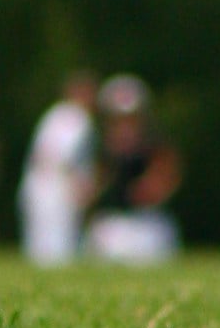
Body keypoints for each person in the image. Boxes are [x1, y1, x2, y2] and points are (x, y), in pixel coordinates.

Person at [81, 76, 181, 264]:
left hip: (147, 224)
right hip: (110, 225)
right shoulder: (98, 148)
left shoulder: (155, 147)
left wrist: (152, 187)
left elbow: (165, 179)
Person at [19, 71, 99, 265]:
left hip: (43, 182)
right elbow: (61, 157)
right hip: (55, 185)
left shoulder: (56, 114)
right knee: (55, 247)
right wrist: (81, 186)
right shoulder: (75, 118)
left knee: (43, 244)